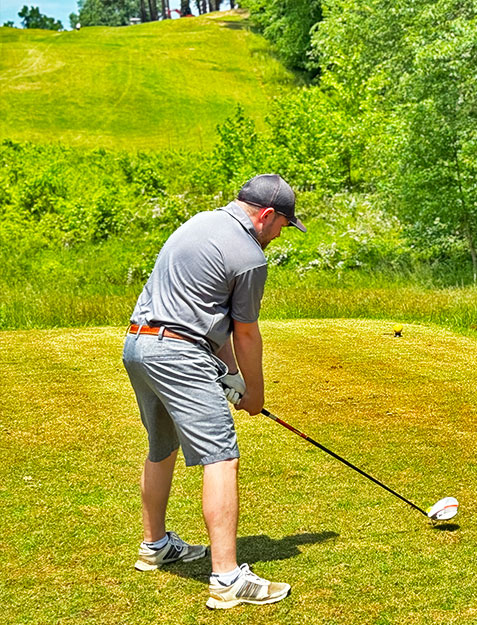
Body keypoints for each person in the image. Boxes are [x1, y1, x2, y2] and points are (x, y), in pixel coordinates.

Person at [122, 174, 306, 609]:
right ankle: (227, 580)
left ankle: (156, 546)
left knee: (161, 446)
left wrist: (228, 375)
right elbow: (245, 333)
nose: (281, 234)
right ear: (265, 215)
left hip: (139, 344)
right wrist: (254, 393)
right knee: (221, 455)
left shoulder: (199, 223)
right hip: (179, 353)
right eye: (283, 224)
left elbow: (208, 310)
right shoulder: (249, 256)